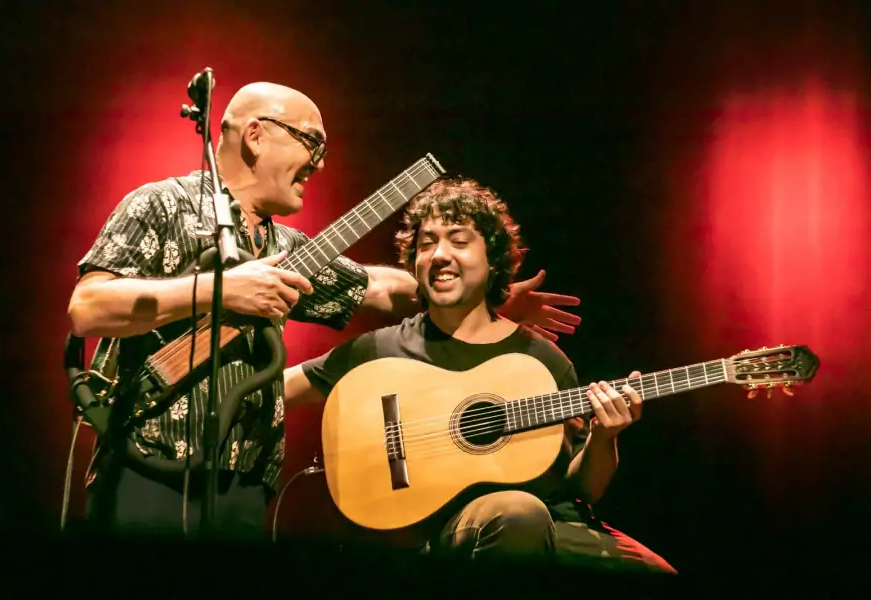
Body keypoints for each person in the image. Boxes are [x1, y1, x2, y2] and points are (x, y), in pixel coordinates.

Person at [67, 82, 581, 539]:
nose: (321, 161)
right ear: (256, 135)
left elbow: (378, 287)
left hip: (243, 484)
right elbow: (87, 308)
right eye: (312, 142)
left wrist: (479, 292)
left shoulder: (284, 246)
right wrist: (221, 290)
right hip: (148, 467)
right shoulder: (159, 205)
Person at [284, 177, 677, 574]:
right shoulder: (378, 350)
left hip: (556, 525)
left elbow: (581, 491)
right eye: (426, 243)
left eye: (458, 240)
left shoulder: (541, 359)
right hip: (453, 530)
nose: (439, 254)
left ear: (492, 260)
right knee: (519, 513)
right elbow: (275, 389)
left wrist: (604, 436)